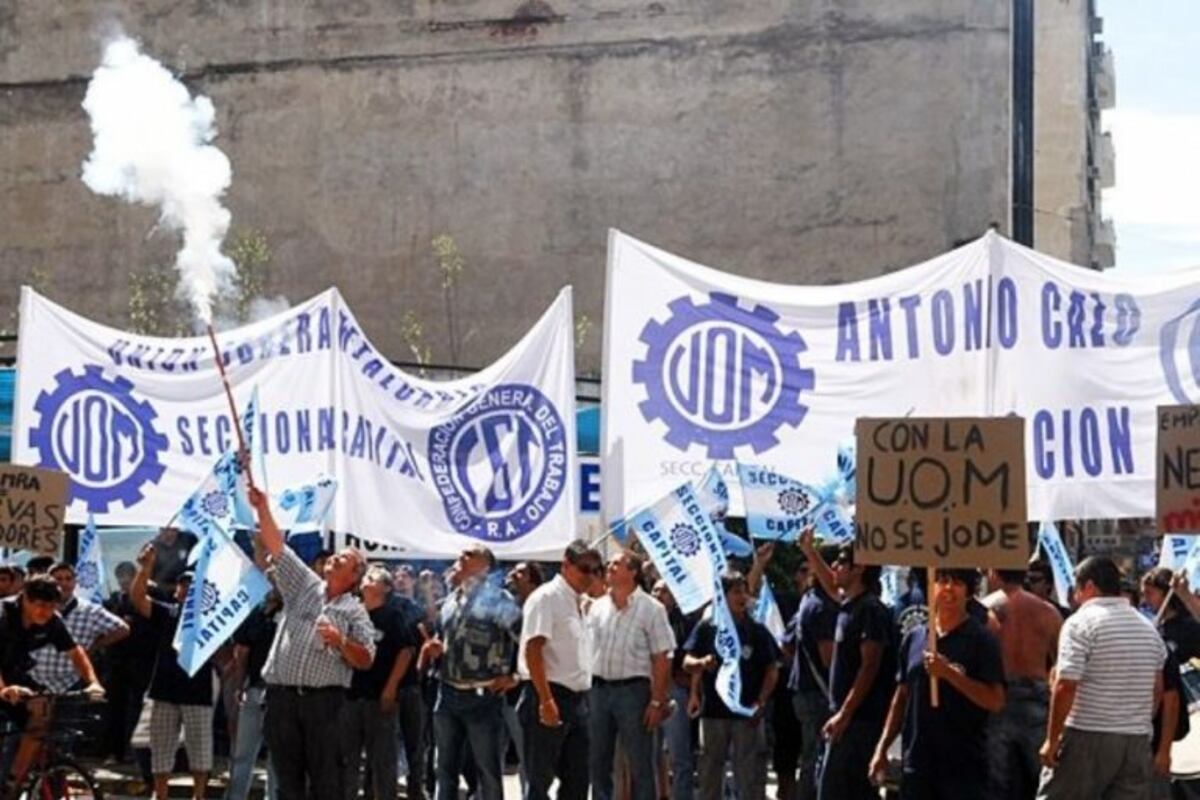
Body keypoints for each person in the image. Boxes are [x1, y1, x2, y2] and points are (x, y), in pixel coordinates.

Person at [250, 487, 377, 799]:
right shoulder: (305, 585)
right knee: (286, 780)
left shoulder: (355, 611)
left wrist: (340, 641)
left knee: (325, 781)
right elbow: (278, 547)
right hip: (282, 700)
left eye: (343, 559)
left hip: (324, 706)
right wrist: (263, 507)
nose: (333, 558)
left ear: (353, 577)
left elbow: (366, 660)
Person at [1036, 556, 1167, 799]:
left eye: (1076, 589)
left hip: (1087, 735)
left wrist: (1052, 740)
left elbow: (1066, 685)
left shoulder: (1081, 623)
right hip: (1136, 741)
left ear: (1089, 587)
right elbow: (1157, 689)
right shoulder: (1148, 629)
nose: (1074, 597)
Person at [870, 568, 1006, 799]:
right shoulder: (915, 637)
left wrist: (950, 675)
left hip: (962, 767)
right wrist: (882, 748)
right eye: (942, 580)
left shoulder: (981, 641)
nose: (948, 589)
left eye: (957, 583)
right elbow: (901, 697)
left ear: (969, 592)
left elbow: (995, 701)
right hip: (918, 763)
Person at [419, 544, 521, 800]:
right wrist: (435, 649)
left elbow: (526, 638)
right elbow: (443, 637)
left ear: (485, 567)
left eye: (469, 555)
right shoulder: (452, 600)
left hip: (483, 697)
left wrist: (516, 677)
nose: (461, 558)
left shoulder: (499, 600)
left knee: (487, 771)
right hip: (447, 692)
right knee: (444, 768)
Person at [804, 539, 894, 800]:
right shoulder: (848, 605)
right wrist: (810, 551)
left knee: (834, 791)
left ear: (860, 567)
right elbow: (831, 582)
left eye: (842, 561)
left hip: (860, 722)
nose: (835, 566)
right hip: (846, 719)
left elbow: (870, 666)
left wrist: (845, 714)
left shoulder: (870, 610)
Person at [0, 575, 104, 792]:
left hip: (14, 672)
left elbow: (76, 653)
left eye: (50, 606)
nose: (45, 612)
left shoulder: (52, 621)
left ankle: (11, 784)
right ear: (25, 599)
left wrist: (93, 683)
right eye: (39, 606)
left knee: (40, 714)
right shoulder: (3, 615)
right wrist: (3, 689)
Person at [683, 570, 780, 800]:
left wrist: (761, 701)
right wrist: (701, 663)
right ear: (723, 596)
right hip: (714, 712)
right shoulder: (709, 627)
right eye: (736, 592)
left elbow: (772, 669)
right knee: (709, 770)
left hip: (747, 713)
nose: (742, 597)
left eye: (744, 591)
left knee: (750, 773)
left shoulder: (757, 631)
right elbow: (687, 661)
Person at [587, 551, 675, 800]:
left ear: (633, 572)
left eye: (616, 563)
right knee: (597, 761)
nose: (609, 567)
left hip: (634, 693)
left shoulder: (652, 609)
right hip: (598, 690)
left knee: (640, 764)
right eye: (610, 564)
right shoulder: (597, 607)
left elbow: (662, 657)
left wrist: (657, 701)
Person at [519, 540, 603, 800]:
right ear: (566, 565)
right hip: (548, 695)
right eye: (584, 568)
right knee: (539, 781)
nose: (590, 576)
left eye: (596, 570)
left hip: (577, 700)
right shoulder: (547, 597)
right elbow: (533, 649)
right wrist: (546, 700)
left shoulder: (579, 602)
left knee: (578, 780)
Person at [130, 546, 215, 800]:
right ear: (177, 591)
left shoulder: (213, 619)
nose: (188, 589)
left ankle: (199, 796)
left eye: (193, 585)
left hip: (198, 692)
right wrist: (145, 568)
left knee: (200, 750)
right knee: (161, 748)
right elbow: (138, 598)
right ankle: (161, 795)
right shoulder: (168, 613)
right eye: (184, 585)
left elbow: (227, 653)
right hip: (164, 690)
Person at [982, 567, 1061, 800]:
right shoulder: (1047, 611)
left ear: (994, 574)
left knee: (998, 783)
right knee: (1044, 779)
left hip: (998, 696)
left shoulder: (985, 610)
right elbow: (1062, 665)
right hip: (1035, 698)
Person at [342, 565, 418, 800]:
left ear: (385, 588)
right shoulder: (352, 613)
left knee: (383, 763)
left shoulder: (393, 615)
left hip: (379, 698)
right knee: (347, 761)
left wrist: (391, 688)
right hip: (352, 697)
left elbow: (406, 651)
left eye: (373, 578)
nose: (366, 580)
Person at [787, 548, 839, 800]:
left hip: (804, 689)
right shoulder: (823, 607)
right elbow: (829, 659)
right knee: (817, 756)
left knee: (812, 754)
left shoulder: (808, 600)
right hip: (817, 693)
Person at [30, 562, 129, 693]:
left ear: (75, 582)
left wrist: (95, 646)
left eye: (68, 579)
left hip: (71, 682)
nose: (64, 584)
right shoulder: (35, 607)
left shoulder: (90, 610)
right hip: (33, 680)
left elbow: (123, 629)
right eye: (58, 579)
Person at [225, 591, 282, 800]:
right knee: (241, 754)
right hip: (255, 689)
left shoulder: (293, 612)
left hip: (281, 694)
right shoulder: (256, 613)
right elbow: (242, 652)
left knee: (277, 758)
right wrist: (239, 687)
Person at [104, 559, 157, 763]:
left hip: (142, 661)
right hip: (117, 662)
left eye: (130, 576)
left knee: (138, 707)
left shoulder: (148, 598)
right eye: (122, 577)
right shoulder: (113, 601)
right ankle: (114, 751)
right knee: (115, 707)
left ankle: (136, 752)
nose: (125, 581)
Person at [651, 579, 696, 800]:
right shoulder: (643, 617)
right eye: (656, 590)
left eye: (665, 591)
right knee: (649, 755)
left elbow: (691, 654)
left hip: (674, 692)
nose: (659, 594)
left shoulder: (684, 622)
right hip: (646, 692)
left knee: (680, 756)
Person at [1143, 567, 1200, 662]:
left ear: (1166, 593)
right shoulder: (1153, 627)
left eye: (1149, 593)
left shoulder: (1190, 626)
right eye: (1143, 594)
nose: (1145, 600)